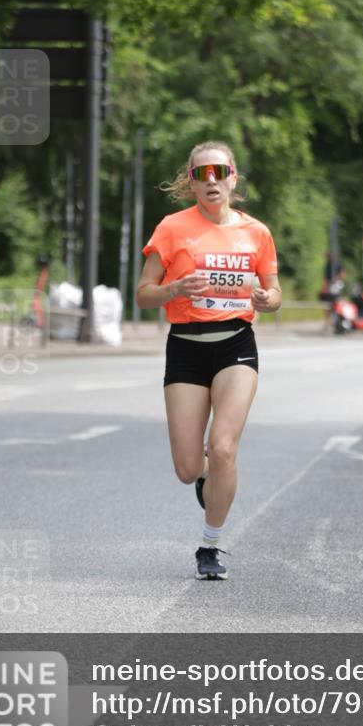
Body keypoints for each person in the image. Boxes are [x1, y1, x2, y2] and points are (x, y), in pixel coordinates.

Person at [135, 141, 282, 580]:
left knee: (222, 447)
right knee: (186, 468)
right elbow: (143, 295)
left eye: (219, 171)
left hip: (236, 343)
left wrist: (265, 298)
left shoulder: (256, 232)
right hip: (185, 345)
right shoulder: (172, 228)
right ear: (192, 181)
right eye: (202, 174)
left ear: (233, 176)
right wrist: (175, 289)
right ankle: (205, 477)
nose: (212, 180)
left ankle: (210, 545)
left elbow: (274, 294)